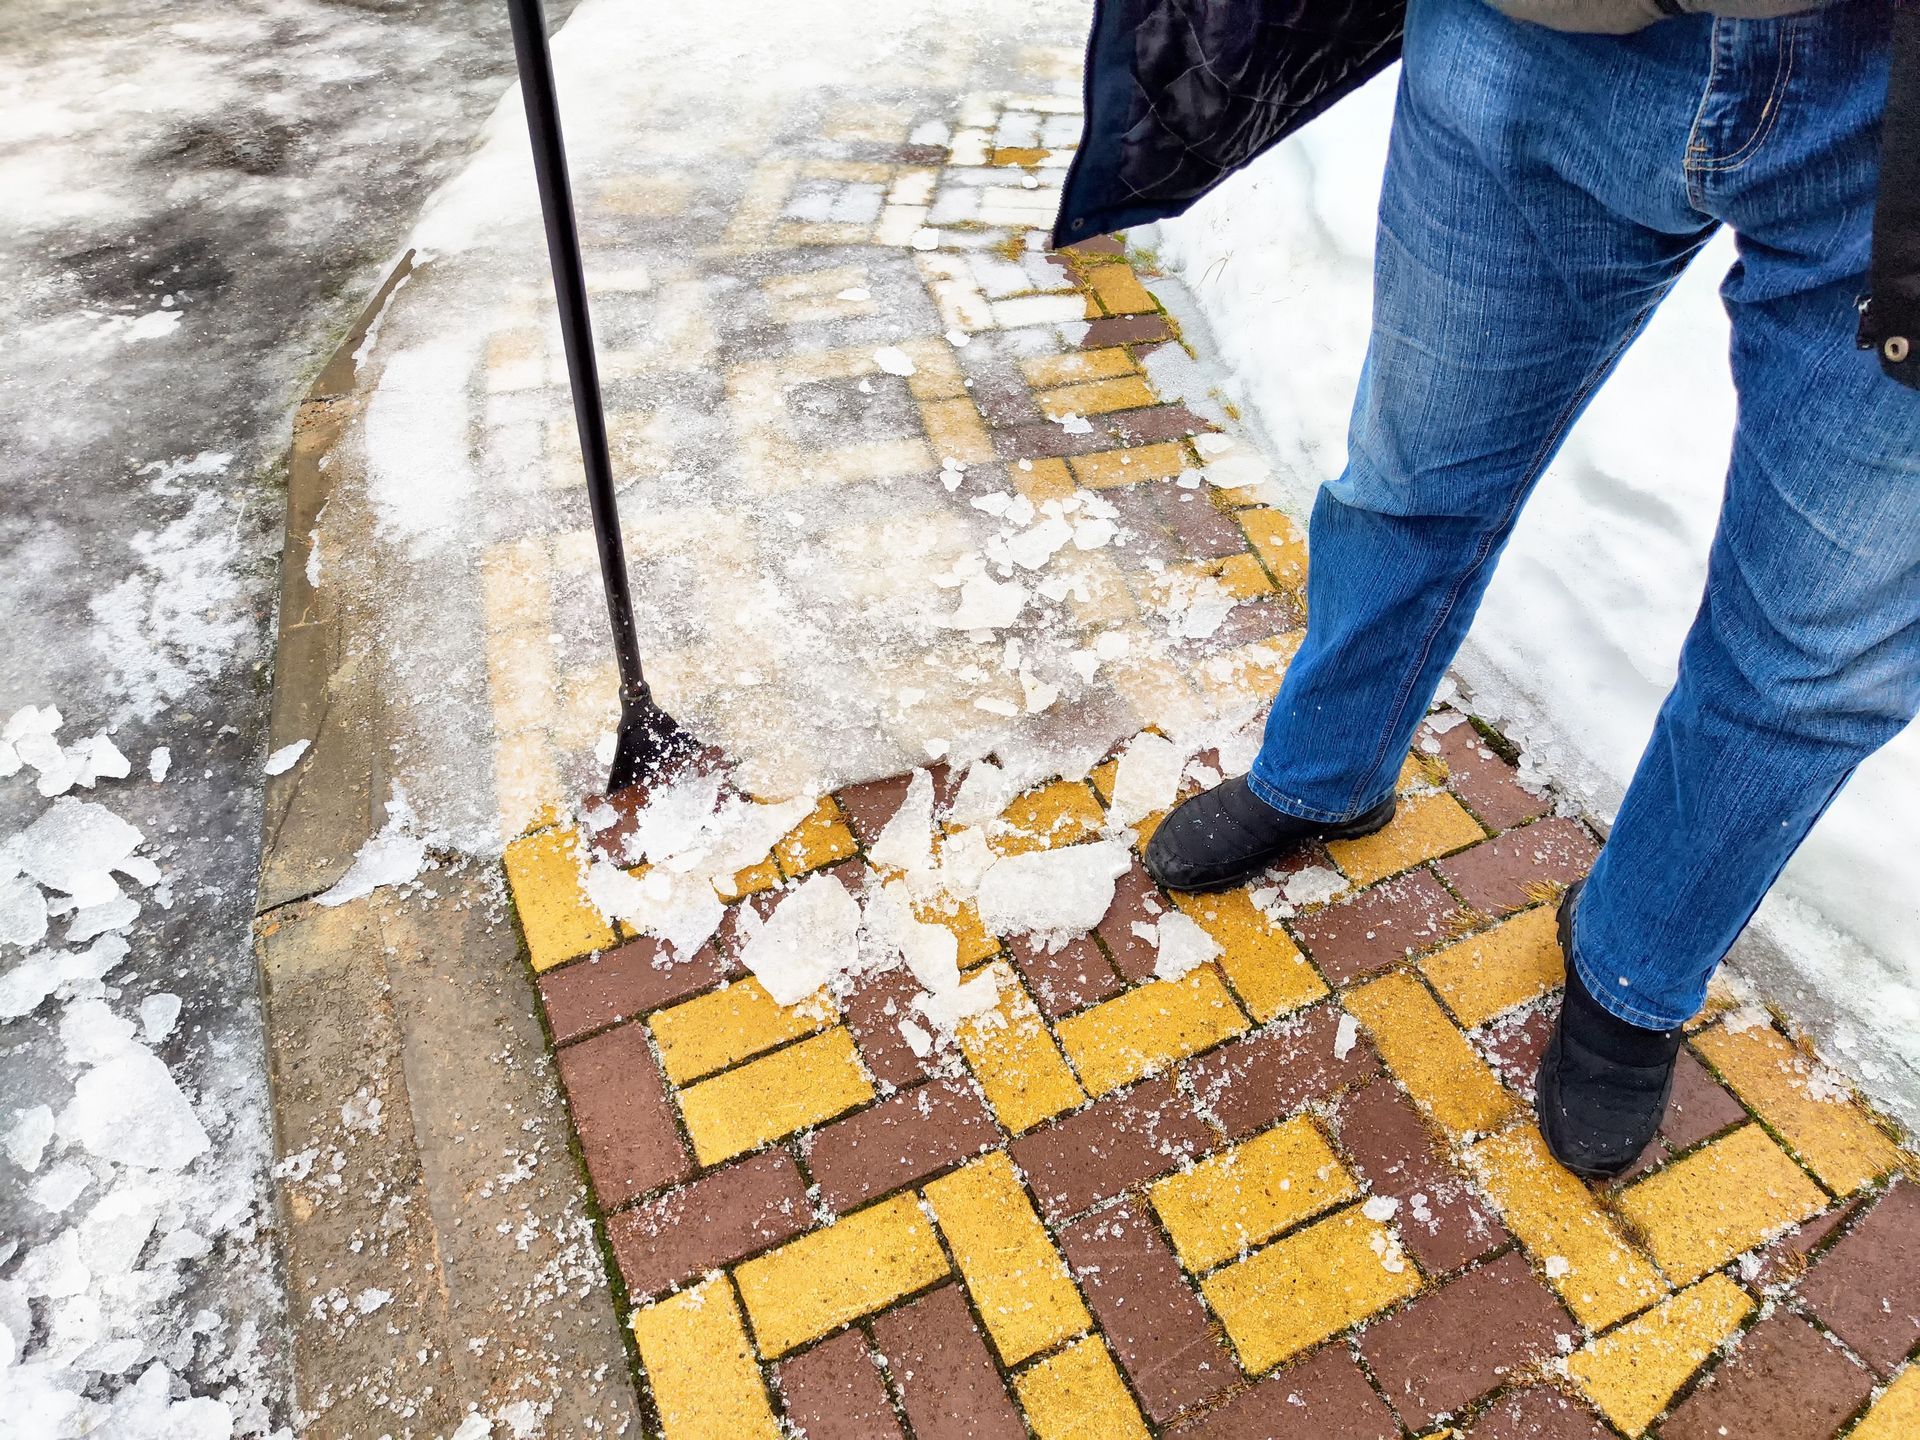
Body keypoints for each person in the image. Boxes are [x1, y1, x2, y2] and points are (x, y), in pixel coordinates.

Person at [1055, 0, 1919, 1179]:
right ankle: (1325, 769)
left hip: (1897, 110)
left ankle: (1634, 968)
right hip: (1544, 35)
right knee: (1410, 476)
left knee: (1812, 659)